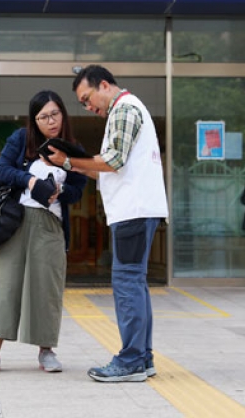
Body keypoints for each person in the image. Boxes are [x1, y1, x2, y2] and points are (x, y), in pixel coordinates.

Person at [47, 65, 168, 382]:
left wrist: (68, 161)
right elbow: (108, 169)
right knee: (135, 283)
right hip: (137, 210)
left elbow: (113, 161)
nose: (88, 107)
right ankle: (142, 358)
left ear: (103, 85)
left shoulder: (124, 109)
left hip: (133, 211)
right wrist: (72, 164)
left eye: (87, 99)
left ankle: (131, 360)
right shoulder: (126, 109)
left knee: (127, 283)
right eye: (83, 104)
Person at [0, 90, 87, 374]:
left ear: (63, 114)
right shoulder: (21, 139)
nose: (51, 121)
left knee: (46, 288)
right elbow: (3, 169)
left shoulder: (74, 149)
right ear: (34, 120)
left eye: (55, 114)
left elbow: (77, 192)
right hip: (13, 221)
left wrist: (59, 191)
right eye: (43, 117)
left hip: (49, 224)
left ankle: (46, 350)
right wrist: (32, 182)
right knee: (1, 284)